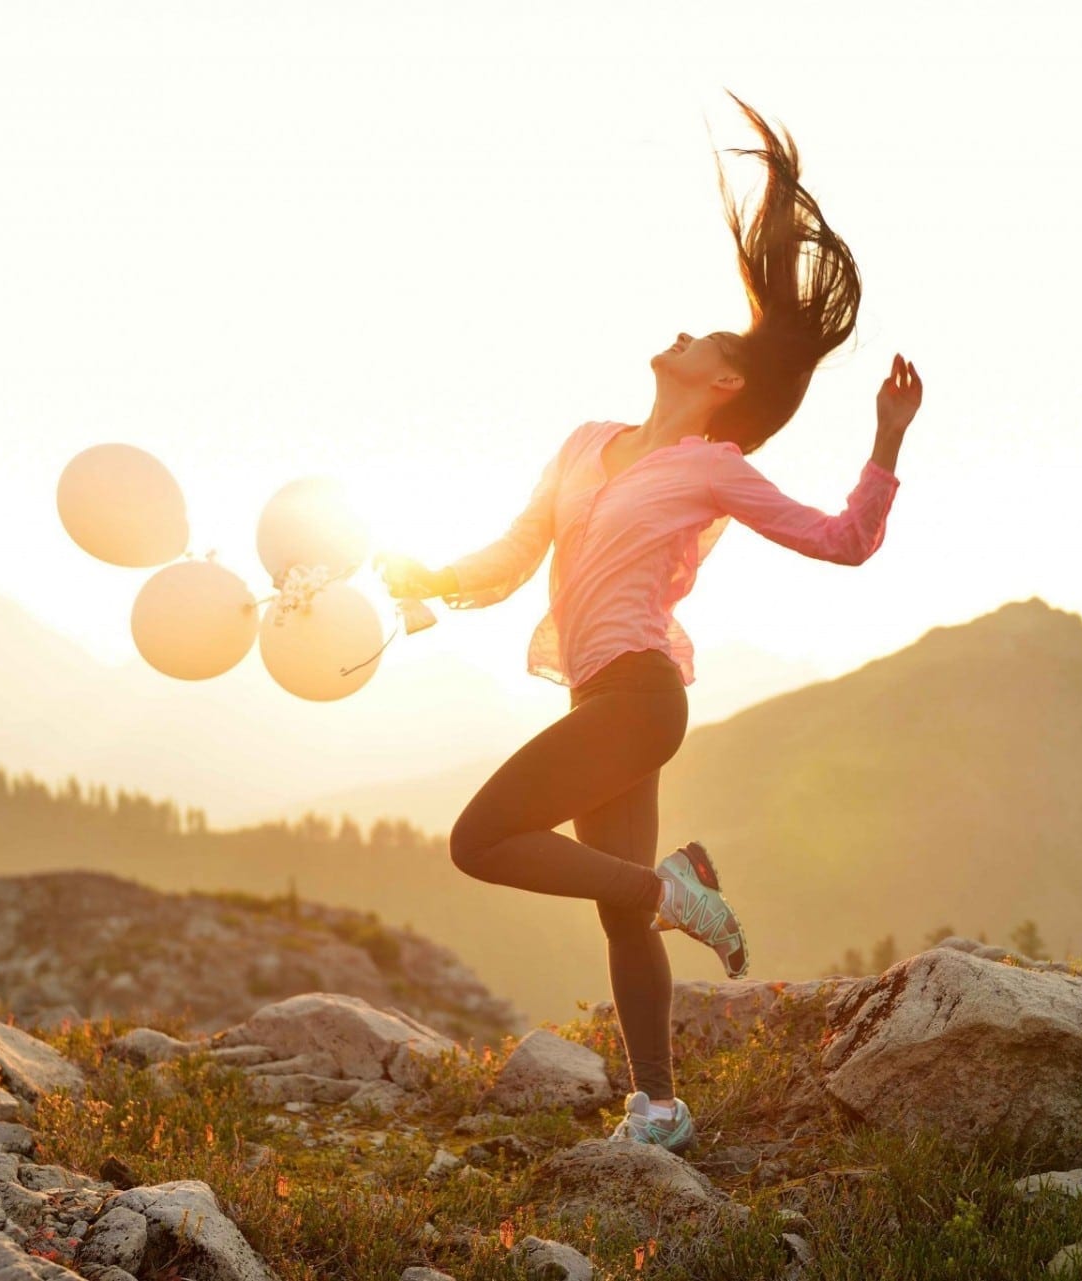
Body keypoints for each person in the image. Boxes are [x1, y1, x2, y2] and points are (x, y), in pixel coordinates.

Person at [378, 93, 922, 1155]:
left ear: (721, 382)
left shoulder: (713, 470)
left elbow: (845, 541)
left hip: (639, 695)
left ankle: (678, 890)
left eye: (703, 336)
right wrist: (425, 573)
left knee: (481, 841)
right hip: (595, 692)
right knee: (623, 912)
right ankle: (660, 1108)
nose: (680, 331)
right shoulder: (587, 442)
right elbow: (511, 557)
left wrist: (887, 441)